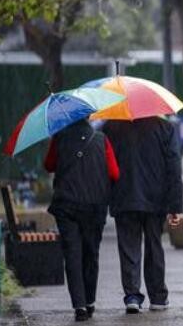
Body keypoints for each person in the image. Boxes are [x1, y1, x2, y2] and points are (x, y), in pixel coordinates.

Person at [102, 117, 183, 314]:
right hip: (156, 198)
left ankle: (132, 296)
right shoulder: (165, 128)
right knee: (155, 246)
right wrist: (175, 206)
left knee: (129, 247)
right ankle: (158, 297)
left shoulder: (111, 127)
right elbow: (174, 165)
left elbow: (105, 162)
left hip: (124, 196)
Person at [44, 118, 119, 322]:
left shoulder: (60, 137)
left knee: (72, 254)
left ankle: (79, 307)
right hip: (95, 206)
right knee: (91, 253)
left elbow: (48, 165)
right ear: (88, 118)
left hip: (66, 205)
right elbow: (114, 172)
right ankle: (90, 301)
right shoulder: (102, 139)